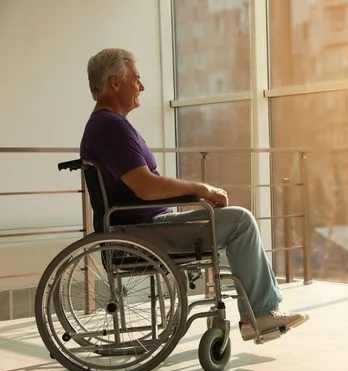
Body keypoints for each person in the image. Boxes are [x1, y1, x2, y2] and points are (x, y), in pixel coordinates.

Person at [79, 48, 309, 341]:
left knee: (231, 221)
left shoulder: (107, 125)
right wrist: (199, 188)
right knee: (240, 221)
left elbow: (142, 186)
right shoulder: (110, 127)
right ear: (115, 83)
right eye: (136, 79)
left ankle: (257, 309)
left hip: (141, 227)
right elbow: (146, 186)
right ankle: (260, 314)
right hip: (142, 233)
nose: (142, 86)